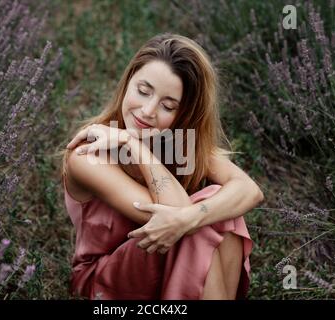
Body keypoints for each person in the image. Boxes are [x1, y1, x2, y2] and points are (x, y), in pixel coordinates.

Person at [61, 33, 264, 300]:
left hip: (164, 262)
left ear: (183, 114)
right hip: (102, 282)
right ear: (127, 83)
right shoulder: (88, 155)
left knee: (215, 208)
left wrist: (193, 215)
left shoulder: (176, 142)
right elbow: (173, 217)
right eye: (143, 91)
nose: (148, 110)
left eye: (168, 106)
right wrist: (133, 146)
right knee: (195, 224)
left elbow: (249, 190)